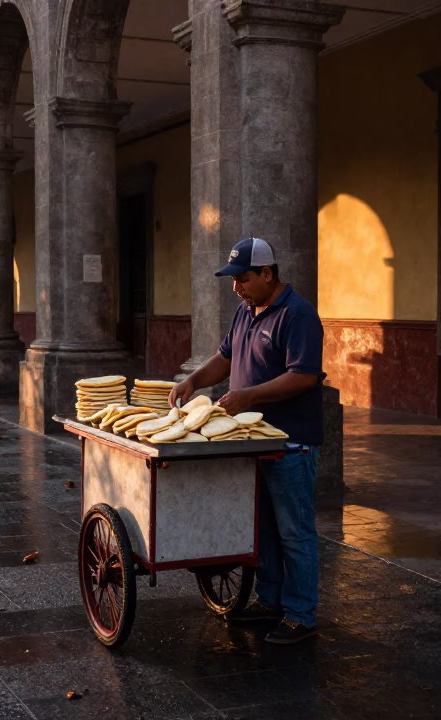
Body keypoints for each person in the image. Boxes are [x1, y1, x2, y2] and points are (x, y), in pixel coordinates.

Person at [169, 237, 325, 645]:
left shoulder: (298, 314)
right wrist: (192, 381)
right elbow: (224, 357)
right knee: (265, 530)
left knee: (295, 531)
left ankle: (301, 614)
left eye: (243, 279)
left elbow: (304, 376)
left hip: (291, 442)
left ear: (267, 274)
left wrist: (248, 396)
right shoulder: (245, 312)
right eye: (233, 279)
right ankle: (269, 600)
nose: (236, 287)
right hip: (251, 443)